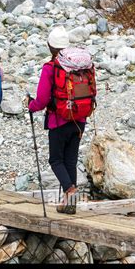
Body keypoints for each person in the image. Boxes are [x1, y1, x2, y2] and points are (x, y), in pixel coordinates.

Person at [27, 26, 87, 214]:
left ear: (49, 46)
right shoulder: (81, 66)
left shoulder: (51, 68)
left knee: (55, 160)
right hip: (79, 118)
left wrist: (31, 105)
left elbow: (43, 99)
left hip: (59, 120)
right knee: (70, 160)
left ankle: (70, 191)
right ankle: (70, 203)